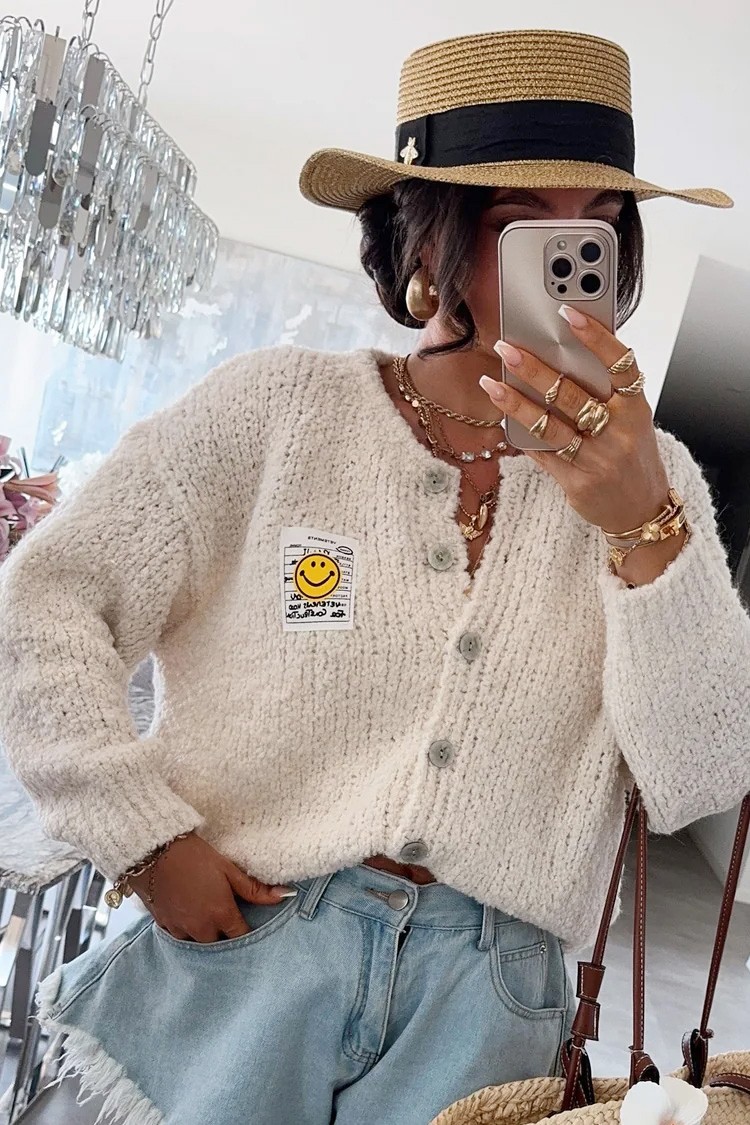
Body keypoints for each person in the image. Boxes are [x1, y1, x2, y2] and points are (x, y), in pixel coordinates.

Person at [0, 26, 748, 1125]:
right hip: (238, 941)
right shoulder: (275, 410)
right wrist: (138, 831)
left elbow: (701, 771)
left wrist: (643, 524)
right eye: (519, 223)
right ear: (424, 234)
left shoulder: (657, 474)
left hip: (489, 1007)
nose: (568, 261)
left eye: (595, 224)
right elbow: (47, 597)